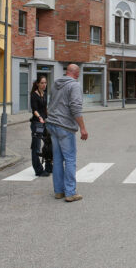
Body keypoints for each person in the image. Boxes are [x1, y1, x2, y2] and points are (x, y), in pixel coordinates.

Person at [45, 64, 88, 202]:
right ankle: (70, 192)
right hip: (65, 126)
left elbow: (50, 103)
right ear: (76, 73)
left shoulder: (56, 84)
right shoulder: (74, 85)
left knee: (57, 159)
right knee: (70, 159)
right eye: (79, 73)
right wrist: (82, 128)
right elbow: (75, 107)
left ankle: (59, 191)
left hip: (52, 124)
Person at [30, 76, 52, 176]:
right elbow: (34, 110)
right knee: (36, 147)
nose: (44, 85)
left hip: (45, 122)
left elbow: (45, 108)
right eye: (42, 83)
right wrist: (40, 118)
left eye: (45, 83)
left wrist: (49, 118)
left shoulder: (45, 94)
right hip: (37, 123)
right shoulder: (34, 95)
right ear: (38, 84)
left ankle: (48, 166)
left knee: (49, 144)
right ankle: (38, 170)